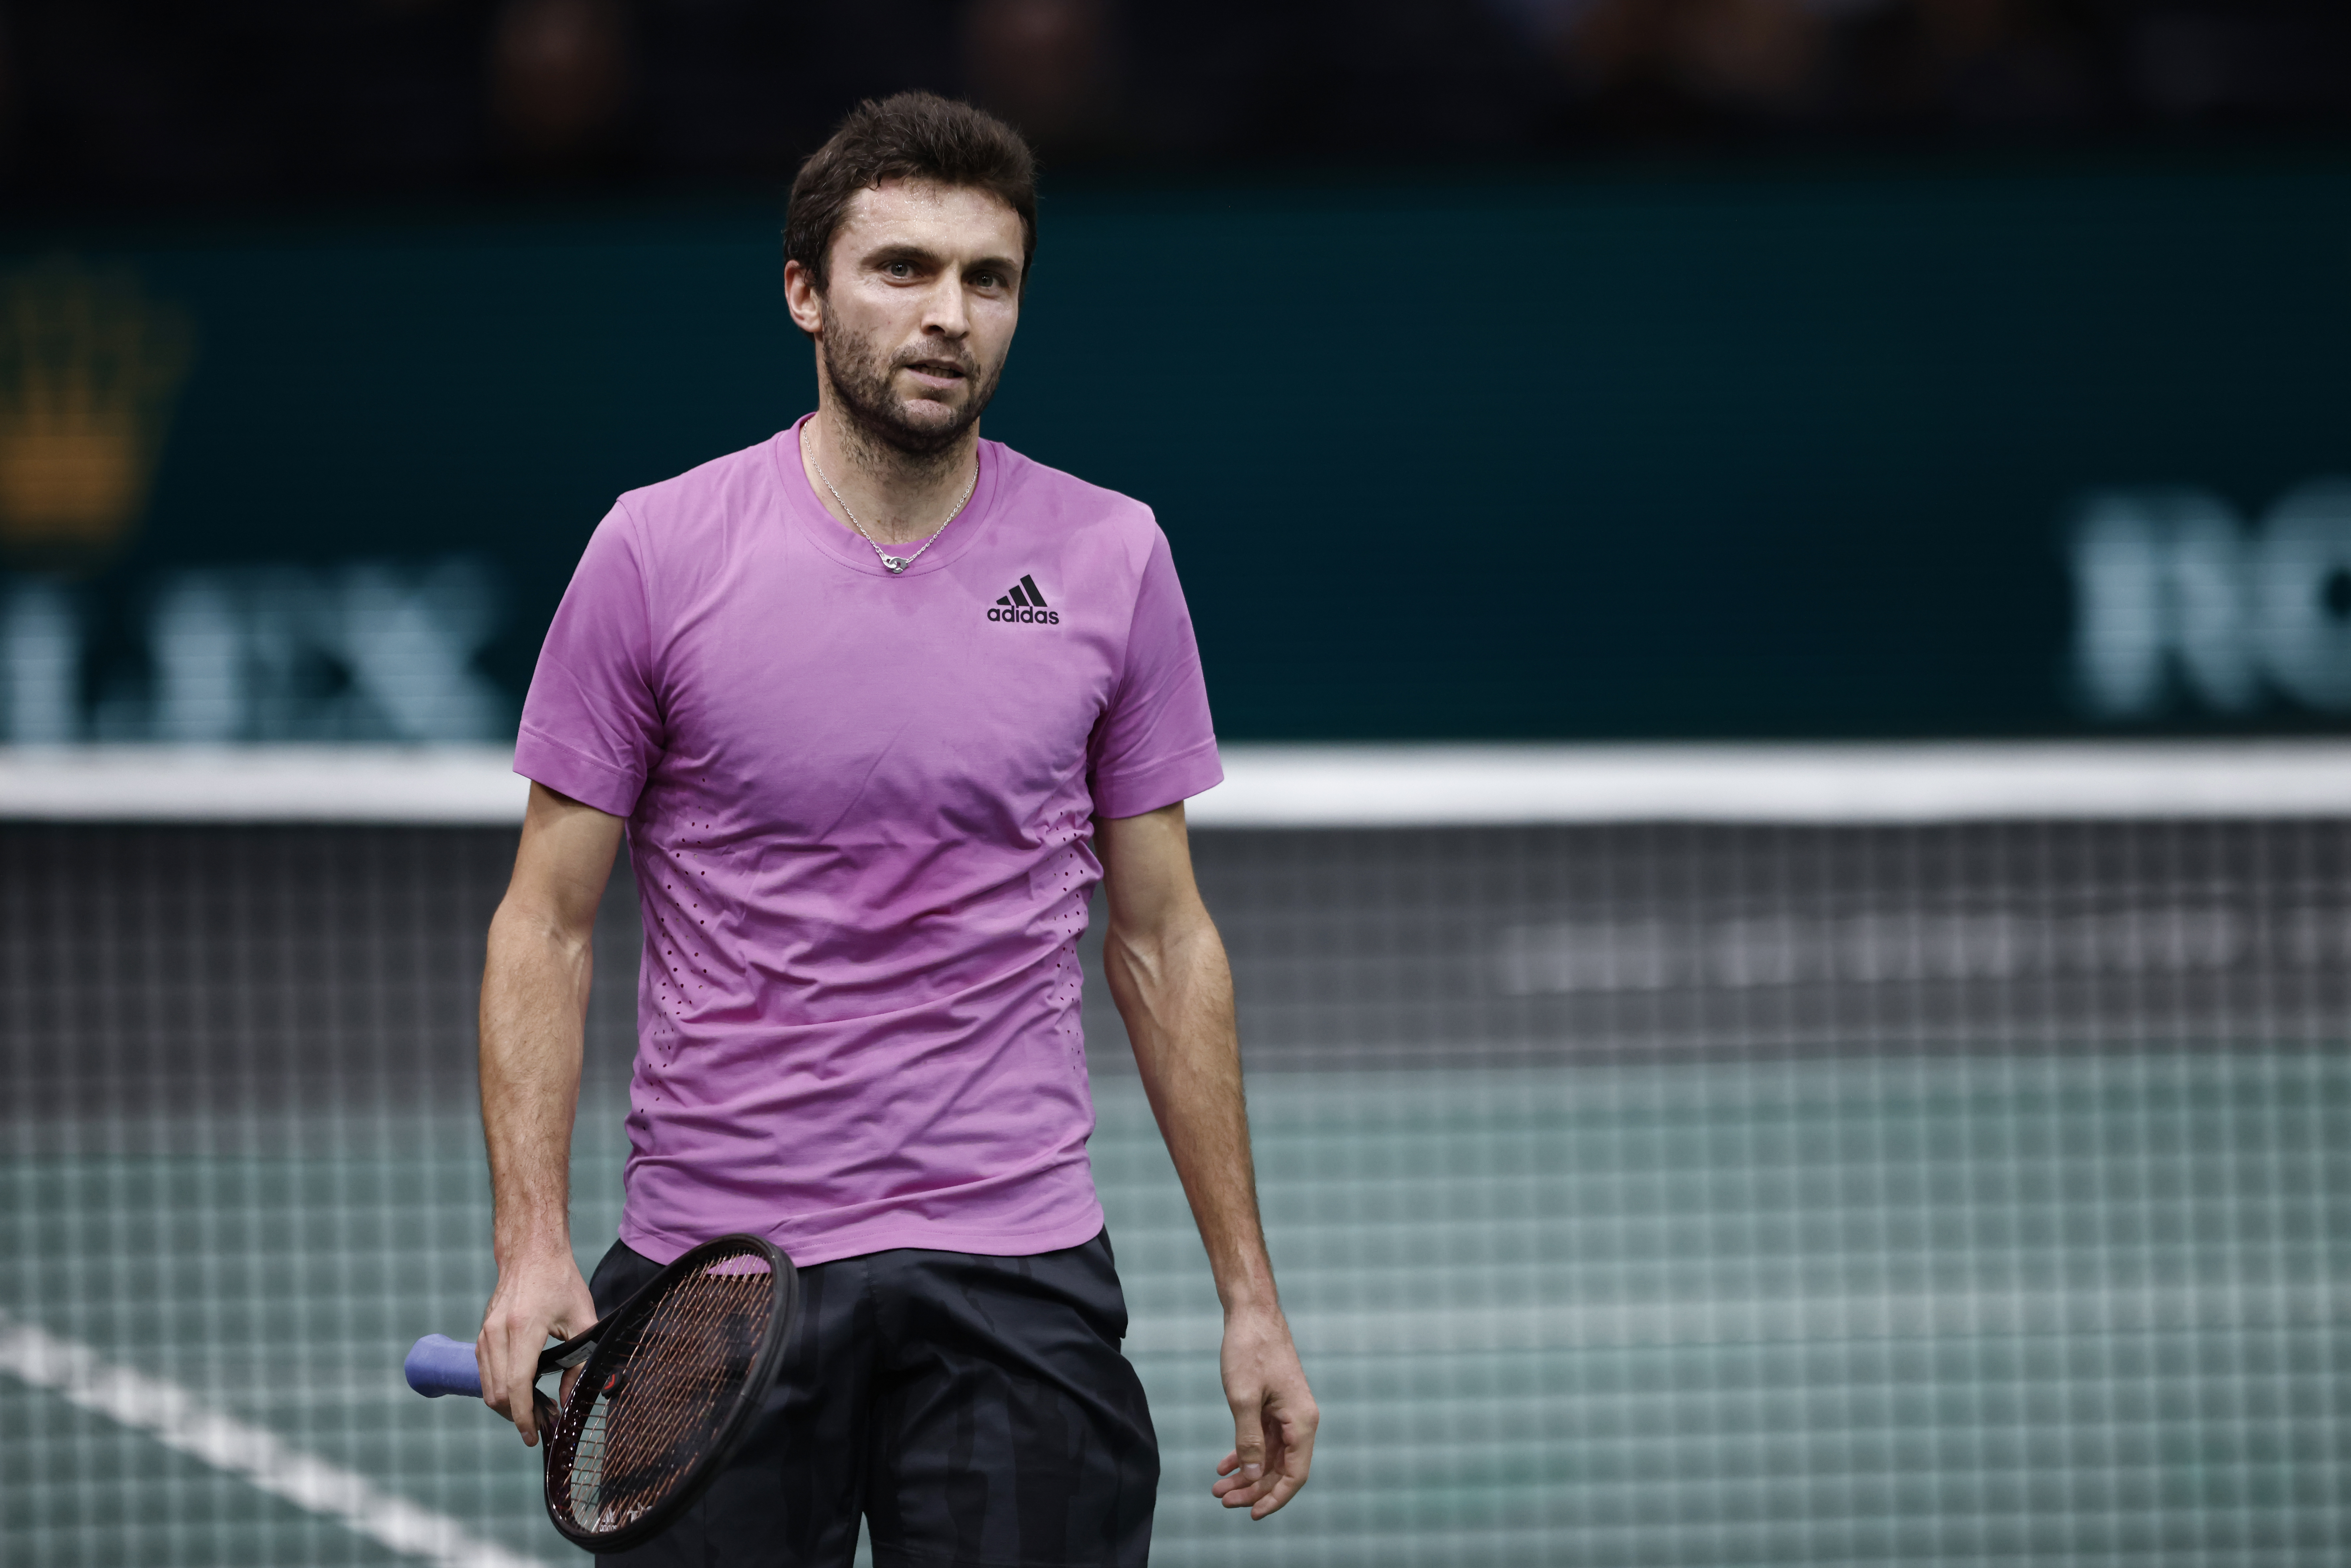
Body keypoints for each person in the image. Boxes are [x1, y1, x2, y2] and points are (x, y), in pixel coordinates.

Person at [471, 91, 1316, 1565]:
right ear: (803, 291)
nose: (950, 315)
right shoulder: (656, 552)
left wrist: (1249, 1292)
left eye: (988, 281)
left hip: (1014, 1264)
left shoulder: (1112, 558)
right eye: (903, 269)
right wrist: (531, 1241)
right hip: (716, 1267)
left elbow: (1165, 938)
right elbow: (544, 920)